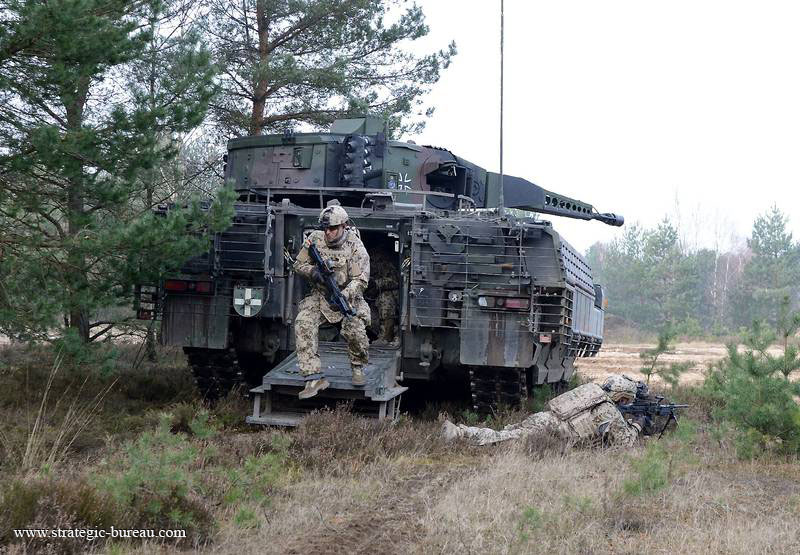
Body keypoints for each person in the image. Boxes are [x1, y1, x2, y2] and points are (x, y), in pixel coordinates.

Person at [293, 204, 371, 399]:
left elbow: (361, 280)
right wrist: (313, 272)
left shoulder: (355, 247)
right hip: (320, 297)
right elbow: (297, 264)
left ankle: (357, 365)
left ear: (344, 226)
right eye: (325, 228)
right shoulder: (314, 240)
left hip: (348, 296)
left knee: (354, 330)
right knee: (303, 322)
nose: (328, 232)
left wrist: (344, 295)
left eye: (333, 228)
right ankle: (313, 376)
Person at [442, 374, 645, 446]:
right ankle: (459, 433)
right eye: (626, 400)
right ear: (621, 396)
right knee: (502, 440)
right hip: (551, 431)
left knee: (506, 435)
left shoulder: (592, 391)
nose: (626, 403)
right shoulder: (608, 409)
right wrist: (637, 425)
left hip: (544, 419)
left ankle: (462, 432)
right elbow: (624, 443)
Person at [366, 247, 400, 345]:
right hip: (365, 298)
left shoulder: (381, 261)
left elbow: (394, 281)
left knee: (385, 298)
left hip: (381, 300)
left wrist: (376, 284)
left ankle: (385, 337)